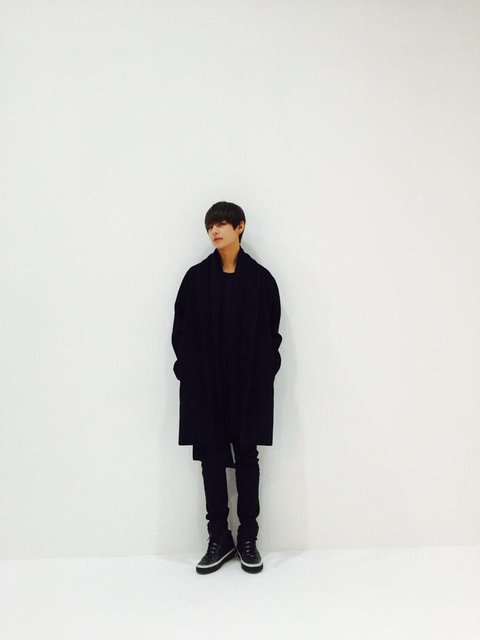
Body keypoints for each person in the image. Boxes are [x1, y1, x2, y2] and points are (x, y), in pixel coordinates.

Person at [171, 201, 282, 574]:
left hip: (248, 385)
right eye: (210, 226)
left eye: (221, 224)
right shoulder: (195, 279)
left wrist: (264, 372)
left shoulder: (261, 280)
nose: (215, 231)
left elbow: (271, 335)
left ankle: (248, 537)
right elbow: (181, 332)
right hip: (207, 385)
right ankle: (218, 537)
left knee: (247, 457)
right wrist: (188, 372)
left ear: (240, 227)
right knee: (212, 458)